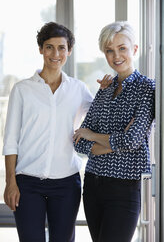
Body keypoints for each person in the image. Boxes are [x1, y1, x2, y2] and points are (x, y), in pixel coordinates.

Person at [2, 22, 112, 242]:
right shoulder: (23, 90)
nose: (56, 53)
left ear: (69, 51)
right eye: (49, 47)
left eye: (62, 48)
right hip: (27, 182)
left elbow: (98, 118)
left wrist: (106, 93)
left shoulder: (78, 89)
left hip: (66, 183)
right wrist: (10, 182)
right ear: (41, 49)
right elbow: (11, 139)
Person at [73, 21, 155, 242]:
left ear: (134, 50)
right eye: (109, 50)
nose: (116, 56)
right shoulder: (105, 89)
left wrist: (93, 136)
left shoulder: (147, 88)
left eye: (122, 48)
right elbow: (79, 143)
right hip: (92, 186)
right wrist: (109, 141)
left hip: (125, 188)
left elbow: (132, 140)